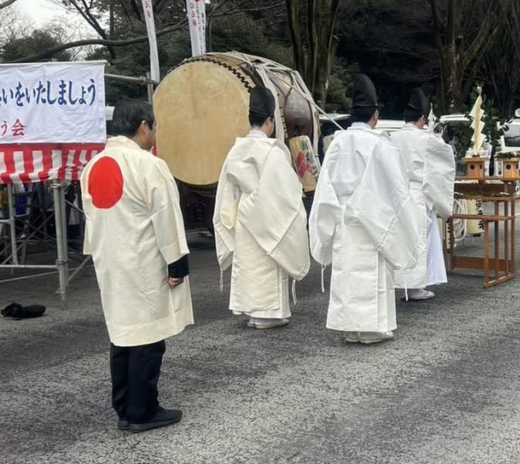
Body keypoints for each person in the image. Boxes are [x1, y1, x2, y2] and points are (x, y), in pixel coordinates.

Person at [80, 99, 192, 432]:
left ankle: (125, 407)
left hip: (110, 261)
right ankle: (142, 410)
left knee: (122, 332)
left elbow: (91, 219)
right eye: (153, 127)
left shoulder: (93, 166)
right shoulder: (148, 165)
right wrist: (177, 264)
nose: (154, 134)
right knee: (148, 335)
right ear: (144, 125)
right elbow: (166, 216)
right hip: (143, 260)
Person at [309, 74, 420, 344]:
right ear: (376, 116)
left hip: (343, 217)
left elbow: (325, 187)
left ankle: (350, 328)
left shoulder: (337, 143)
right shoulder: (379, 144)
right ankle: (372, 329)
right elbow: (396, 189)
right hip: (373, 216)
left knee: (347, 272)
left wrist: (325, 225)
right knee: (372, 273)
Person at [213, 86, 310, 329]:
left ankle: (253, 313)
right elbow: (285, 192)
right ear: (269, 121)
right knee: (268, 259)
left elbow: (226, 190)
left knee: (249, 263)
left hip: (243, 215)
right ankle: (269, 314)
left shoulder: (236, 149)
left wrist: (233, 215)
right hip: (267, 214)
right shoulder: (272, 152)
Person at [391, 88, 456, 302]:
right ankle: (416, 287)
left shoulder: (392, 137)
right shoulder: (425, 139)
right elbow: (443, 163)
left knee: (400, 239)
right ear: (422, 118)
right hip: (418, 195)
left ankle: (401, 284)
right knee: (419, 240)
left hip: (397, 194)